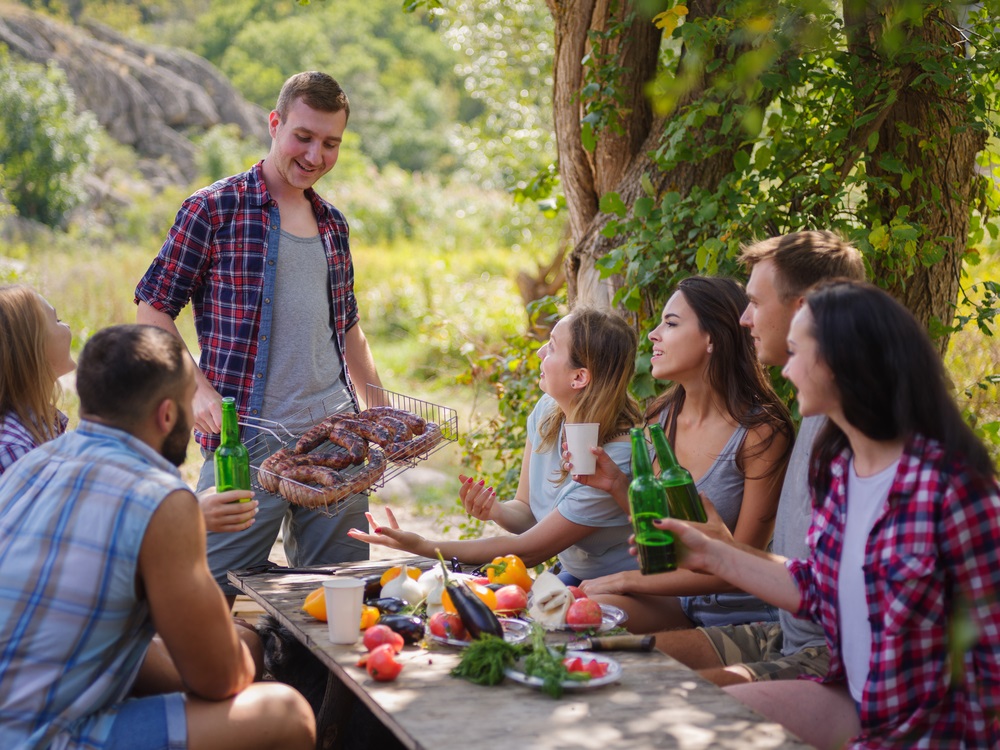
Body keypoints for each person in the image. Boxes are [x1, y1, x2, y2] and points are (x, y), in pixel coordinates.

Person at [660, 280, 1000, 749]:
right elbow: (821, 587)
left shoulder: (953, 490)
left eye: (797, 353)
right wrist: (710, 552)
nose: (787, 371)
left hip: (927, 730)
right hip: (855, 698)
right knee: (686, 717)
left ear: (841, 363)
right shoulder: (839, 472)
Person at [0, 324, 314, 750]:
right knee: (285, 712)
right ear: (167, 415)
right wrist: (249, 644)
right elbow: (221, 678)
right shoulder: (160, 497)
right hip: (44, 737)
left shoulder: (31, 467)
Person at [135, 71, 382, 600]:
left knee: (343, 598)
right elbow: (152, 307)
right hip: (244, 445)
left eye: (331, 143)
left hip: (336, 445)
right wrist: (195, 389)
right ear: (275, 124)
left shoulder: (333, 224)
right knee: (215, 593)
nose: (316, 155)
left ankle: (317, 687)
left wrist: (378, 411)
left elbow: (349, 327)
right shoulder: (213, 209)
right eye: (304, 137)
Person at [649, 230, 867, 686]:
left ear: (805, 307)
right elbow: (811, 578)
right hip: (782, 632)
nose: (744, 319)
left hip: (831, 658)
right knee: (632, 664)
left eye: (754, 302)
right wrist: (718, 551)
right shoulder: (816, 408)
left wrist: (723, 555)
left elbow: (845, 595)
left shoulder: (859, 425)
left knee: (668, 698)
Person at [349, 308, 643, 580]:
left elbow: (529, 550)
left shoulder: (614, 457)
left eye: (552, 346)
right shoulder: (549, 411)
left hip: (622, 583)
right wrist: (497, 511)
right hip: (577, 575)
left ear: (579, 377)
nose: (541, 351)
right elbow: (528, 513)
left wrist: (424, 545)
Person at [572, 276, 794, 633]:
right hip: (681, 602)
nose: (653, 334)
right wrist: (617, 485)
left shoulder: (760, 434)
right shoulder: (661, 418)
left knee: (597, 616)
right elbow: (667, 534)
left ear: (712, 338)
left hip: (740, 614)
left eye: (671, 323)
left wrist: (625, 580)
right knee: (585, 617)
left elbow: (740, 568)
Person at [0, 284, 74, 475]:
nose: (67, 326)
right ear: (32, 349)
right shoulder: (14, 451)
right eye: (57, 320)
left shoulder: (42, 425)